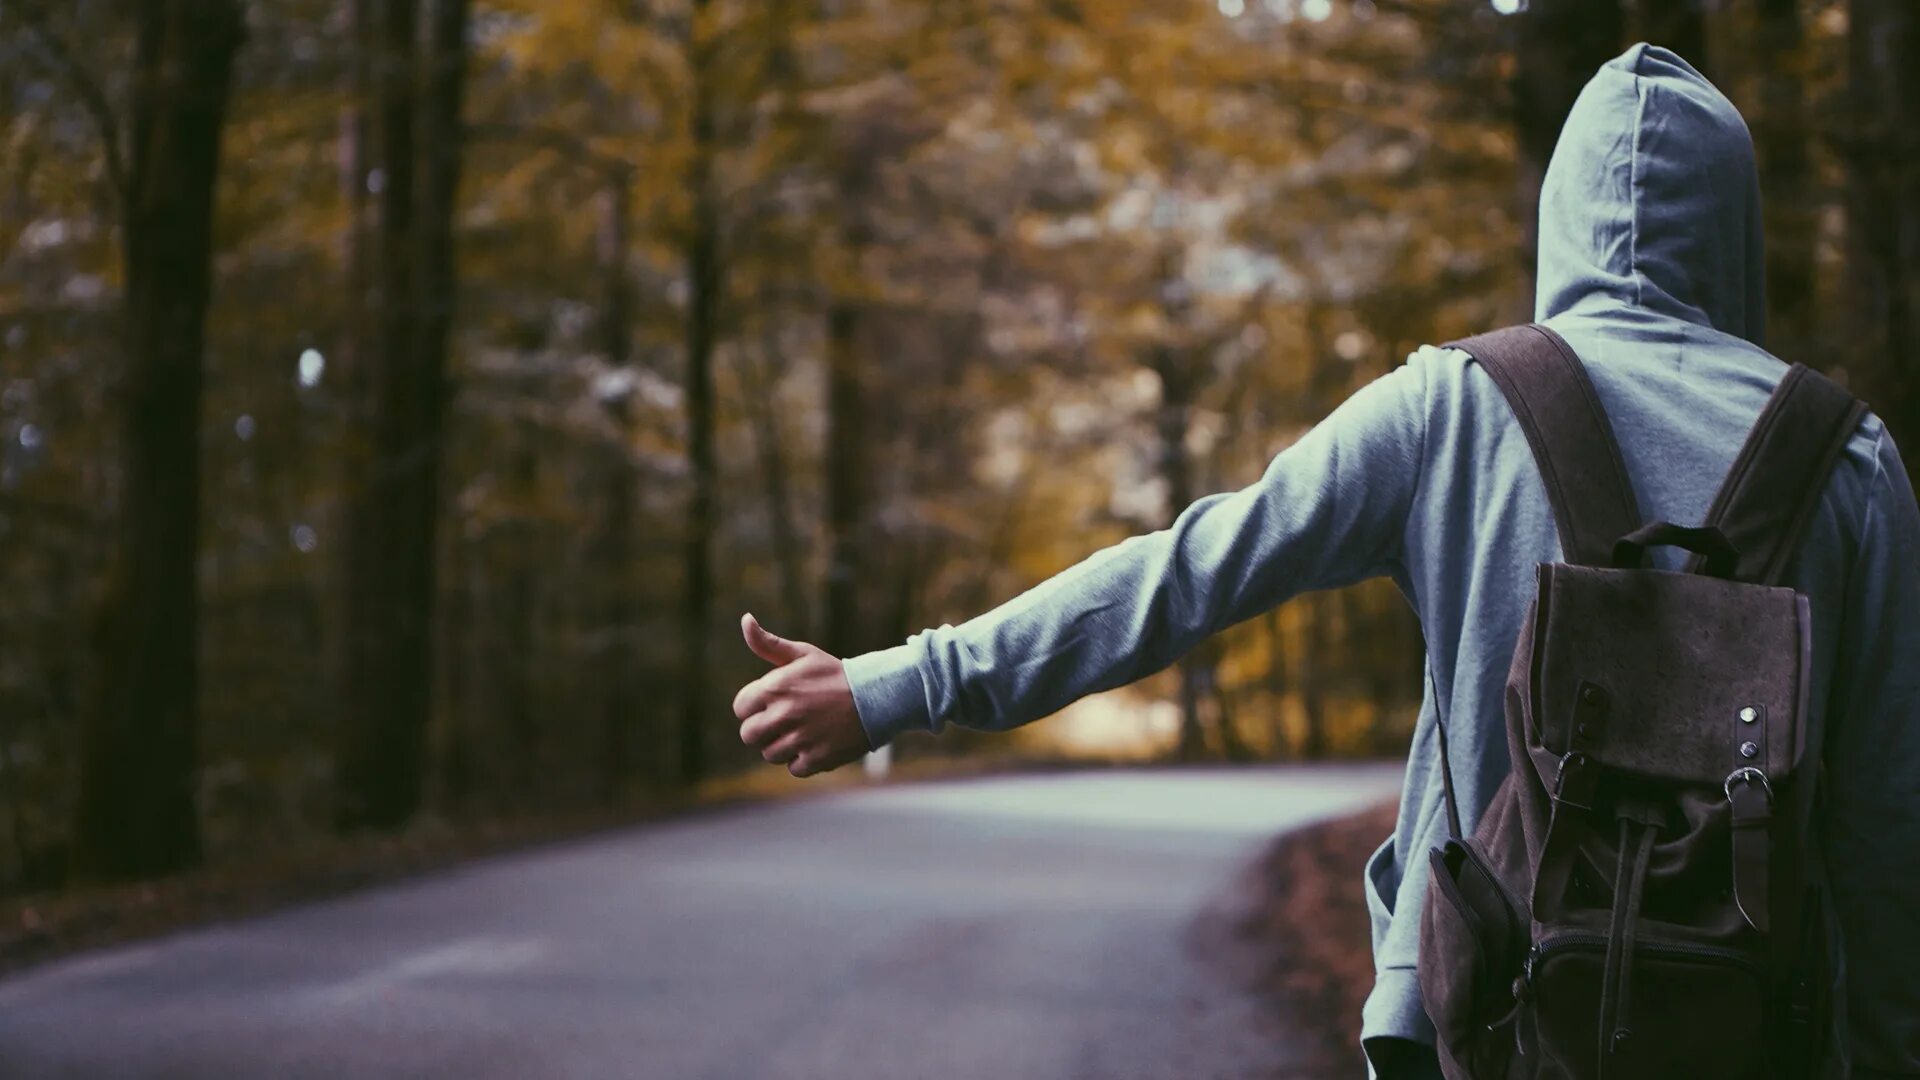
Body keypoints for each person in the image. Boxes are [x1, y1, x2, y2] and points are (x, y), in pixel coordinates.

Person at [729, 44, 1920, 1079]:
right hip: (1756, 1028)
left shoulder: (1454, 407)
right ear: (1739, 229)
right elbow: (1884, 823)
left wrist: (897, 685)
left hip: (1482, 1022)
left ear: (1556, 217)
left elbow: (1184, 575)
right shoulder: (1848, 459)